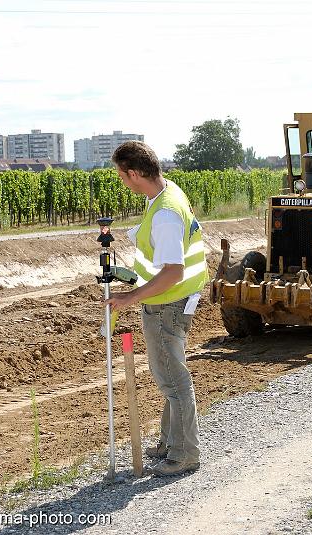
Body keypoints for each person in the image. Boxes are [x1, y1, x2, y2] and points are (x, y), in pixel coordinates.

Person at [105, 140, 207, 477]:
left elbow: (172, 271)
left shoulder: (164, 214)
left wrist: (129, 298)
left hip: (167, 304)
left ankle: (184, 454)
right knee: (169, 375)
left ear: (134, 173)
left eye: (121, 175)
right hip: (175, 299)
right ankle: (168, 442)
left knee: (174, 380)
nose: (121, 181)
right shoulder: (167, 192)